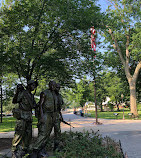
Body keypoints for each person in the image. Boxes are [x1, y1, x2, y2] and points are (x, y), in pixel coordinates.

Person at [29, 80, 58, 157]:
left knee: (47, 134)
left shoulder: (54, 94)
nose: (52, 86)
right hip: (45, 114)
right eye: (51, 85)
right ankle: (34, 151)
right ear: (49, 85)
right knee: (43, 133)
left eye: (54, 85)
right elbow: (40, 105)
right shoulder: (44, 93)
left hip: (52, 115)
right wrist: (41, 117)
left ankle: (41, 149)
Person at [12, 80, 38, 158]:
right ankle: (14, 151)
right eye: (33, 85)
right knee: (19, 134)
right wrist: (17, 91)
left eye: (35, 86)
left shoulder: (31, 96)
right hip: (22, 116)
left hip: (29, 117)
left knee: (28, 135)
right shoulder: (23, 93)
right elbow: (14, 101)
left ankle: (24, 150)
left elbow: (33, 106)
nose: (34, 87)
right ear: (29, 85)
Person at [54, 83, 64, 150]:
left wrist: (61, 116)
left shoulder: (59, 96)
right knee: (46, 132)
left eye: (59, 87)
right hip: (50, 115)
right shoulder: (50, 95)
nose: (58, 89)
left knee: (58, 131)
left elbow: (59, 108)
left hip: (57, 115)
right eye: (57, 87)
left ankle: (56, 146)